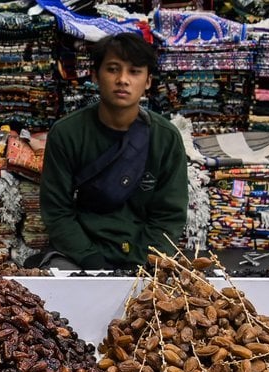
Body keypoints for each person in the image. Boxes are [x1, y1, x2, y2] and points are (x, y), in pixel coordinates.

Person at [39, 32, 188, 270]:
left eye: (134, 71)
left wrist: (144, 262)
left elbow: (169, 216)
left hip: (146, 257)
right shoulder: (67, 133)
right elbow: (57, 212)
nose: (123, 80)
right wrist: (91, 260)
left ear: (148, 81)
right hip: (79, 255)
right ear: (95, 76)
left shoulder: (165, 138)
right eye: (113, 69)